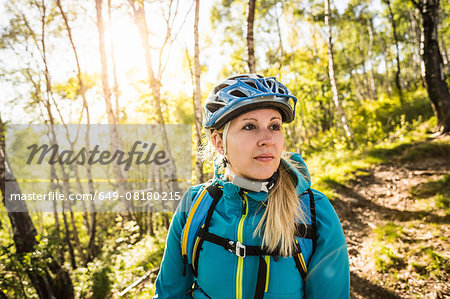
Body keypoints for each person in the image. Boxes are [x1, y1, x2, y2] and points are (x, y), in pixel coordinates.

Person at [154, 74, 349, 298]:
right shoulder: (194, 205)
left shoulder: (314, 211)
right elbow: (169, 294)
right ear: (219, 143)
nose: (267, 139)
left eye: (274, 126)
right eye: (249, 127)